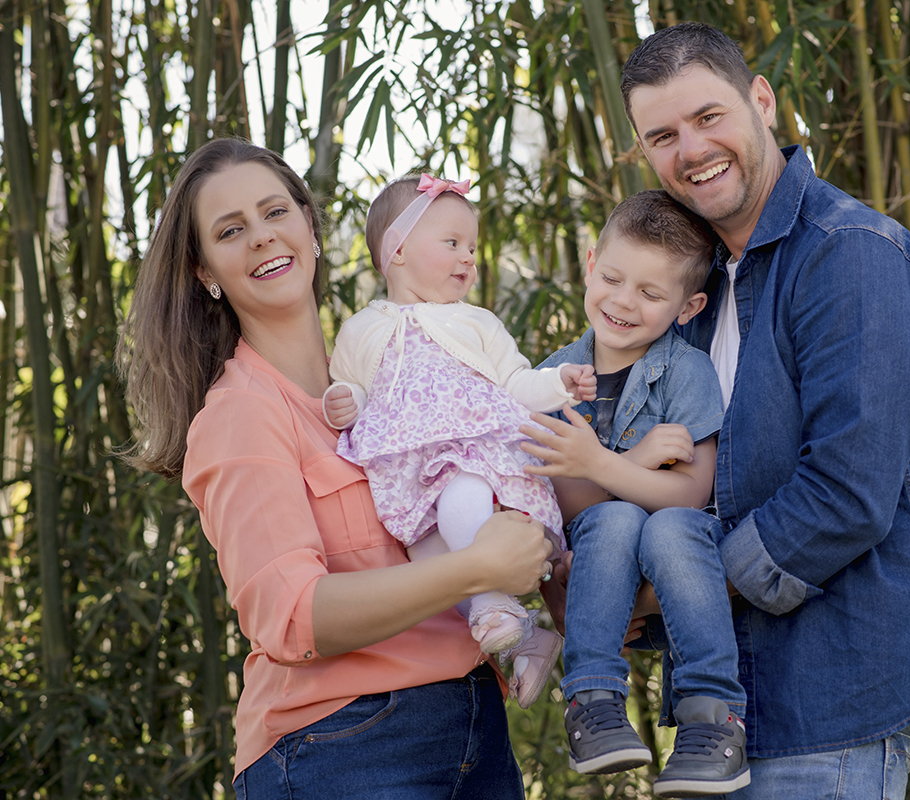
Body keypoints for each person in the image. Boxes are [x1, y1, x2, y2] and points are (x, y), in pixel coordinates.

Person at [613, 21, 910, 799]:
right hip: (722, 711)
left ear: (762, 99)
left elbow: (846, 495)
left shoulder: (851, 252)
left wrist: (666, 588)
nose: (690, 150)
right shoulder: (692, 294)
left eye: (708, 117)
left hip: (834, 699)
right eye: (662, 135)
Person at [119, 138, 554, 798]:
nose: (262, 238)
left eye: (274, 213)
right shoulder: (241, 413)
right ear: (205, 269)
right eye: (231, 231)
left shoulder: (391, 376)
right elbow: (294, 617)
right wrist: (477, 569)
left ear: (311, 228)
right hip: (343, 743)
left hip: (474, 726)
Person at [321, 172, 595, 707]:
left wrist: (558, 381)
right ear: (397, 251)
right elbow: (351, 384)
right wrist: (345, 400)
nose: (469, 257)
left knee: (462, 497)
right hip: (407, 471)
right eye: (452, 244)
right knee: (426, 560)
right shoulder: (360, 329)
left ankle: (497, 604)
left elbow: (516, 381)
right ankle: (529, 638)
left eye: (472, 247)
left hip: (473, 455)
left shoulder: (477, 322)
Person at [522, 190, 749, 797]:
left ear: (687, 305)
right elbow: (567, 505)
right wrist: (630, 463)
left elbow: (689, 493)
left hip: (678, 557)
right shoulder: (549, 379)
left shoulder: (689, 372)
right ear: (591, 262)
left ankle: (713, 718)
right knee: (616, 522)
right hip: (595, 559)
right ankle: (592, 700)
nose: (623, 302)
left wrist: (599, 462)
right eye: (614, 279)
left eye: (650, 294)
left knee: (669, 526)